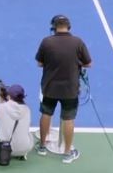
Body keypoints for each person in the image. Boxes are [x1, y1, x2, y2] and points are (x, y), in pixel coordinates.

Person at [35, 14, 92, 164]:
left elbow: (39, 63)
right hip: (70, 89)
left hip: (49, 87)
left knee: (46, 114)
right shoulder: (77, 42)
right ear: (69, 27)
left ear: (53, 28)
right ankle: (67, 153)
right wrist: (76, 63)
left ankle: (42, 146)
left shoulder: (47, 42)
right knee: (68, 119)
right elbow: (88, 63)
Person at [0, 83, 33, 161]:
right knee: (29, 133)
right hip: (25, 148)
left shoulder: (2, 107)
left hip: (6, 149)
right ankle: (22, 154)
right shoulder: (27, 109)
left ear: (9, 96)